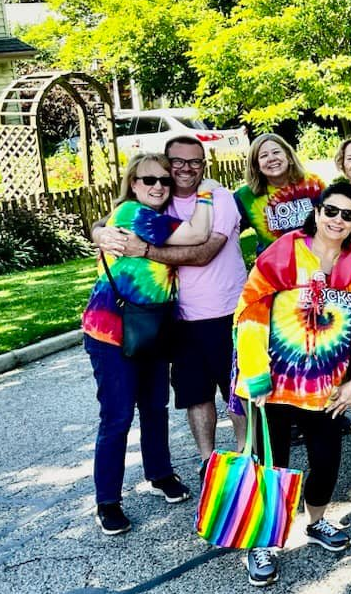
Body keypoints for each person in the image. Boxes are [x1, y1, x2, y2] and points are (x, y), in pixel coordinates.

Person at [233, 180, 351, 586]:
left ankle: (315, 522)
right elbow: (249, 311)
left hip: (326, 388)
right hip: (272, 384)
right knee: (271, 465)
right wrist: (255, 372)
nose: (337, 220)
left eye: (347, 215)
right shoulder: (283, 253)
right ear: (316, 213)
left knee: (327, 459)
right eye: (330, 211)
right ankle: (262, 542)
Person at [91, 137, 249, 470]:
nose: (185, 169)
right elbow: (117, 218)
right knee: (195, 394)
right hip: (178, 319)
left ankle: (246, 456)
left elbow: (203, 252)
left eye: (195, 161)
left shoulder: (218, 197)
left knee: (237, 392)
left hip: (227, 312)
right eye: (177, 161)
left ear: (204, 165)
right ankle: (208, 462)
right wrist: (98, 231)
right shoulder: (157, 206)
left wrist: (144, 250)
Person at [81, 153, 216, 536]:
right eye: (148, 180)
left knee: (155, 408)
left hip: (154, 329)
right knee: (118, 416)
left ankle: (160, 474)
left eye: (164, 181)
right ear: (133, 184)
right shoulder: (131, 214)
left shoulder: (154, 218)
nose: (158, 186)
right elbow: (195, 235)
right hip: (112, 332)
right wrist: (206, 196)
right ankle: (107, 500)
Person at [234, 134, 326, 253]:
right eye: (263, 156)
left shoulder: (313, 184)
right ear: (256, 166)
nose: (271, 158)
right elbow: (226, 233)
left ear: (289, 157)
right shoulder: (245, 196)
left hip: (317, 262)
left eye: (276, 152)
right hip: (274, 268)